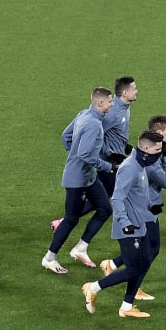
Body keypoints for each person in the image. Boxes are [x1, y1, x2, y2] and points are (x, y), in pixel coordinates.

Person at [80, 131, 166, 318]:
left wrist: (151, 207)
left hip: (140, 224)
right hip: (128, 228)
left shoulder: (141, 164)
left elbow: (137, 195)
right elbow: (117, 197)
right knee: (134, 269)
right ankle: (92, 287)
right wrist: (125, 222)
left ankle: (126, 307)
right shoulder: (130, 168)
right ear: (145, 148)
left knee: (142, 265)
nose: (160, 153)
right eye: (157, 150)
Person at [99, 115, 166, 302]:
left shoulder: (145, 157)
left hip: (148, 209)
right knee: (143, 258)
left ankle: (116, 270)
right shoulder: (147, 162)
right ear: (158, 134)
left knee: (149, 253)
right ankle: (113, 289)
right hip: (140, 214)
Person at [42, 87, 114, 274]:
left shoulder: (84, 114)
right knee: (71, 219)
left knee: (105, 209)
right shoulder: (94, 124)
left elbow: (66, 136)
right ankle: (50, 258)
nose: (112, 104)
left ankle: (80, 248)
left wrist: (72, 154)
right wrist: (108, 166)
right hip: (78, 180)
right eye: (110, 101)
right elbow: (84, 155)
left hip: (88, 178)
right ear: (100, 103)